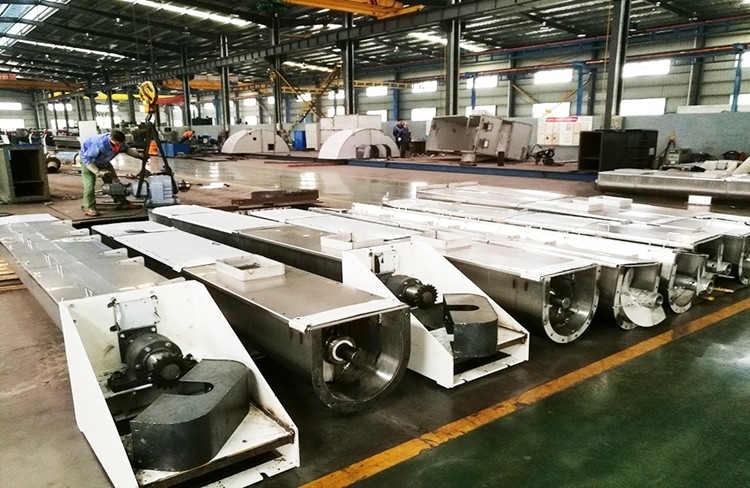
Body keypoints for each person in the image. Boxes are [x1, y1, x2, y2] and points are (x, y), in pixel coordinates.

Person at [80, 130, 143, 217]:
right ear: (111, 139)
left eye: (120, 143)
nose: (119, 145)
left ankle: (122, 202)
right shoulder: (99, 144)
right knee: (89, 185)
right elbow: (86, 159)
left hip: (104, 162)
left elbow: (126, 149)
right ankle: (88, 207)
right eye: (117, 143)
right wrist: (97, 172)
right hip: (89, 163)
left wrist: (138, 156)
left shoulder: (120, 142)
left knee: (114, 182)